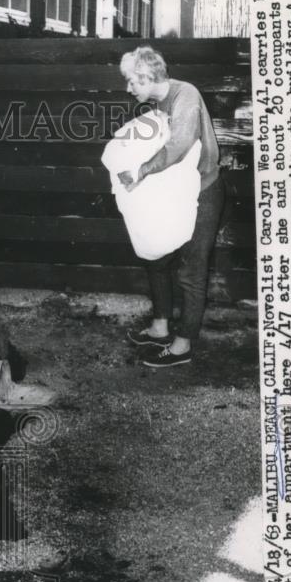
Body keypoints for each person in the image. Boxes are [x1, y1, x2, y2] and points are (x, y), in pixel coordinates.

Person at [116, 46, 225, 368]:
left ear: (147, 76)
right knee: (157, 257)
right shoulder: (156, 104)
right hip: (173, 192)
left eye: (132, 81)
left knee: (192, 267)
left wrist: (142, 170)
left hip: (202, 190)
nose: (128, 88)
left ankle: (182, 345)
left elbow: (178, 144)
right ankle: (161, 327)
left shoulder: (184, 94)